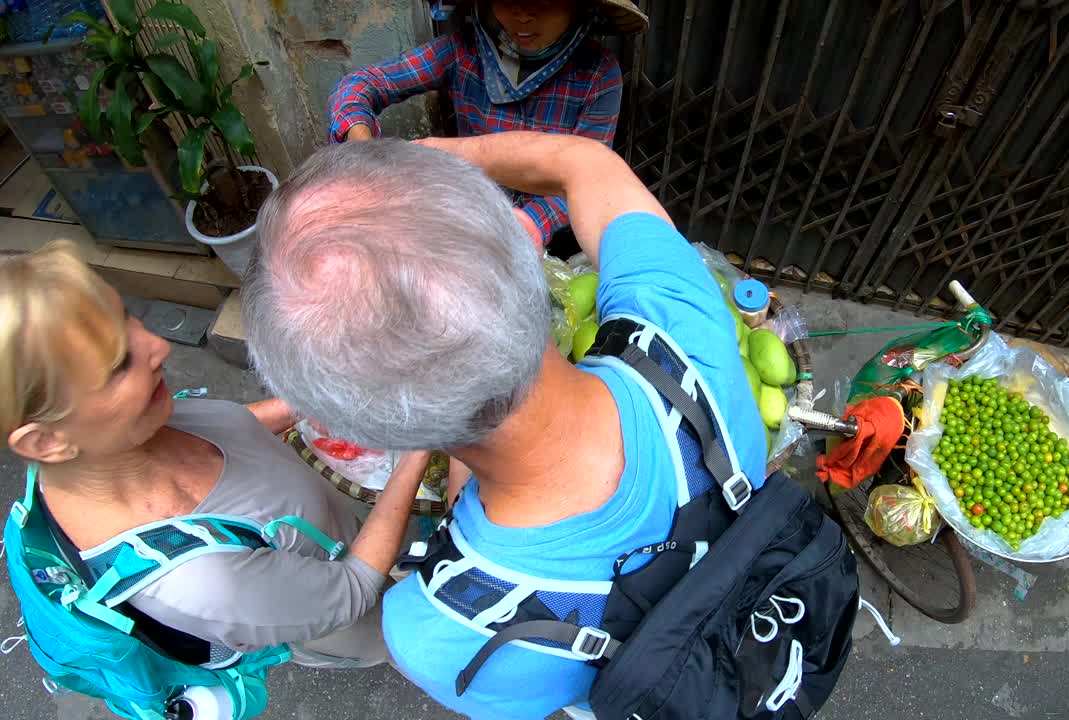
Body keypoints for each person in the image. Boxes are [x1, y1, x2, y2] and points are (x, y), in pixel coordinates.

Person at [240, 132, 768, 718]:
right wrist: (432, 152)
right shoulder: (681, 325)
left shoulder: (439, 628)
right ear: (525, 235)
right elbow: (582, 162)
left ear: (368, 430)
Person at [0, 240, 428, 671]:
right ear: (45, 442)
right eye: (117, 364)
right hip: (348, 609)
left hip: (339, 539)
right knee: (403, 633)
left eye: (126, 316)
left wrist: (322, 393)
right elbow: (353, 589)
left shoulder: (120, 435)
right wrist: (420, 447)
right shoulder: (208, 583)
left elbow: (230, 426)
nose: (157, 346)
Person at [327, 0, 646, 248]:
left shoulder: (599, 74)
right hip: (469, 218)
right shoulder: (460, 52)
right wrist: (362, 145)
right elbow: (362, 84)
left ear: (580, 6)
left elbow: (590, 176)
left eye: (545, 1)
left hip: (553, 234)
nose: (523, 14)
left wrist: (526, 224)